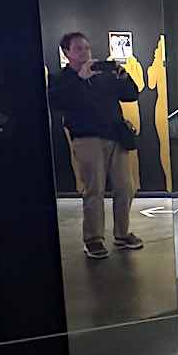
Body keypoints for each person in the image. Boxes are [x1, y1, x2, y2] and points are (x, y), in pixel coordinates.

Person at [48, 32, 142, 259]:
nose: (85, 52)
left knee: (125, 187)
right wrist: (79, 77)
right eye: (79, 48)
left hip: (115, 138)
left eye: (87, 48)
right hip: (87, 138)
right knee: (94, 190)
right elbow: (57, 101)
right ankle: (93, 239)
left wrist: (123, 76)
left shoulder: (104, 74)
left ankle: (122, 234)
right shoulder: (61, 78)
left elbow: (131, 95)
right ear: (67, 53)